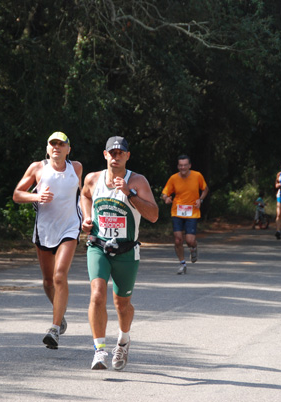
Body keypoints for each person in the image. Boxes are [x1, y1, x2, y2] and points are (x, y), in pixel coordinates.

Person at [80, 136, 158, 370]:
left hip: (126, 251)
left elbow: (154, 216)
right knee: (97, 294)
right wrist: (86, 217)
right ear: (105, 155)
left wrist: (130, 194)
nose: (115, 156)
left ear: (127, 156)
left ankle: (123, 340)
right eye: (111, 153)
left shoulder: (138, 181)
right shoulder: (93, 179)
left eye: (120, 153)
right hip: (98, 246)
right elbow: (84, 195)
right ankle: (99, 351)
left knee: (122, 304)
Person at [12, 132, 82, 350]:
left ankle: (54, 328)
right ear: (47, 147)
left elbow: (83, 194)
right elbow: (17, 194)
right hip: (44, 229)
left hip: (70, 227)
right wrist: (36, 197)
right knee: (48, 281)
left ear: (68, 149)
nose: (57, 148)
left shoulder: (76, 168)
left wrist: (88, 217)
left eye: (61, 145)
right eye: (53, 144)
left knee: (60, 276)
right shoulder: (37, 168)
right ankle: (60, 315)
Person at [161, 155, 209, 274]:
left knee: (189, 240)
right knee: (178, 240)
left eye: (185, 165)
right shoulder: (173, 178)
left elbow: (205, 189)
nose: (182, 167)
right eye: (180, 165)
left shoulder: (197, 176)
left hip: (192, 212)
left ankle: (193, 247)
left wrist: (200, 200)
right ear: (178, 166)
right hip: (177, 211)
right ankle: (182, 264)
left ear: (189, 166)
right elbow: (165, 193)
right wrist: (166, 198)